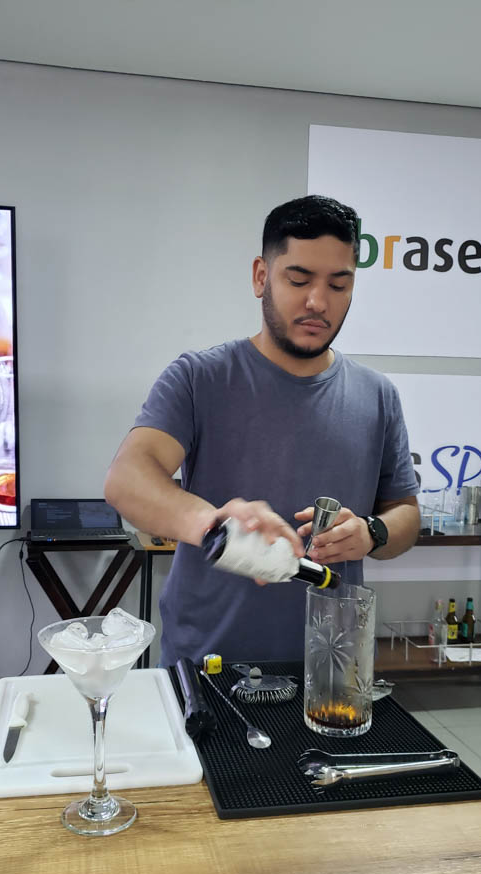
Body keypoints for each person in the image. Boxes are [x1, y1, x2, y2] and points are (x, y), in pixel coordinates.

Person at [105, 195, 420, 666]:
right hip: (209, 665)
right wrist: (217, 526)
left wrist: (372, 532)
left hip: (331, 667)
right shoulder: (200, 378)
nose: (318, 302)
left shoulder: (377, 395)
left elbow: (406, 515)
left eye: (338, 284)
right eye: (299, 279)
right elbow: (128, 480)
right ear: (261, 276)